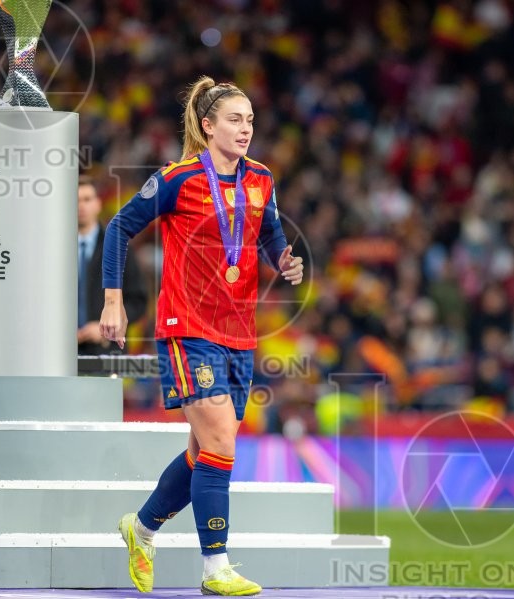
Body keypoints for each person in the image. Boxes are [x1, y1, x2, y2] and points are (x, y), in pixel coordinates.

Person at [101, 76, 304, 596]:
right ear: (207, 125)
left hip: (239, 331)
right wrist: (114, 300)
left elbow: (270, 234)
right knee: (219, 442)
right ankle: (216, 567)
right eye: (235, 119)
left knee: (204, 451)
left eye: (251, 120)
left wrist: (284, 260)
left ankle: (141, 528)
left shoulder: (261, 179)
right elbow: (118, 227)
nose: (246, 129)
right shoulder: (178, 178)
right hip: (186, 328)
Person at [77, 175, 146, 356]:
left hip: (108, 352)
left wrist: (106, 327)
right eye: (76, 200)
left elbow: (139, 301)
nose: (81, 206)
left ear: (98, 204)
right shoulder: (54, 250)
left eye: (87, 199)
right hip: (63, 353)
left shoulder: (119, 247)